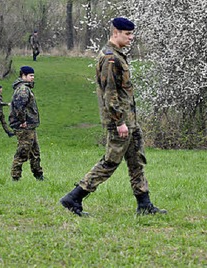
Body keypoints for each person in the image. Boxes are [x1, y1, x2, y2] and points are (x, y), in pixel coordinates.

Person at [60, 17, 166, 217]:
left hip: (129, 121)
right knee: (110, 162)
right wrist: (120, 122)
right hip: (120, 122)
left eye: (132, 34)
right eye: (128, 34)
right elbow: (110, 94)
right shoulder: (110, 58)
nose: (131, 38)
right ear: (115, 32)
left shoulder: (118, 55)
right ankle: (74, 197)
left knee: (137, 161)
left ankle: (144, 204)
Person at [9, 66, 44, 181]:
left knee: (35, 152)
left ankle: (39, 176)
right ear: (23, 75)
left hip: (30, 126)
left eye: (33, 75)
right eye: (31, 76)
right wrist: (23, 121)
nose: (33, 78)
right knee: (23, 152)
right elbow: (19, 106)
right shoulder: (23, 89)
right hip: (24, 127)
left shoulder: (25, 88)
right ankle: (15, 177)